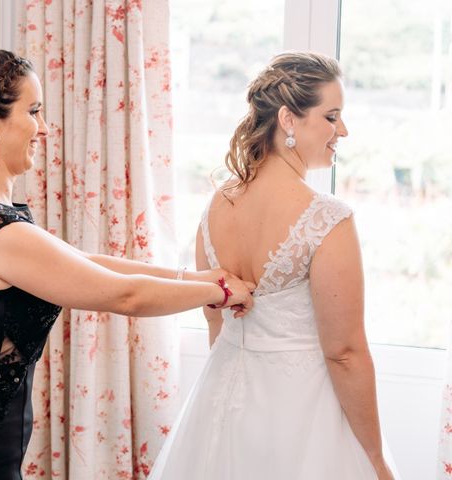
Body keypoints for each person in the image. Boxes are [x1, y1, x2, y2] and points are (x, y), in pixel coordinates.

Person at [0, 48, 255, 480]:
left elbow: (82, 262)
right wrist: (222, 291)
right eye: (34, 111)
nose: (43, 128)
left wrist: (194, 277)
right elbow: (125, 295)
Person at [147, 52, 399, 480]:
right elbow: (345, 354)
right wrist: (375, 459)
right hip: (300, 415)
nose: (343, 131)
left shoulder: (216, 206)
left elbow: (216, 325)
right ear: (288, 119)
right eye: (332, 116)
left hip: (221, 404)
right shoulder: (326, 218)